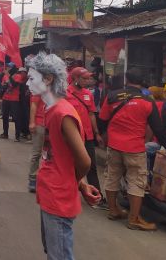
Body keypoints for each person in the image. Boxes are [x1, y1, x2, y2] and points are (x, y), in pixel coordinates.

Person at [26, 52, 101, 260]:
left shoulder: (61, 112)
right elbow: (67, 155)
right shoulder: (51, 109)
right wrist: (82, 183)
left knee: (59, 256)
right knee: (53, 252)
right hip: (51, 192)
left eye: (31, 78)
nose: (27, 83)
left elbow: (84, 160)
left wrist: (73, 180)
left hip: (58, 195)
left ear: (48, 79)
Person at [98, 68, 166, 231]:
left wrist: (103, 136)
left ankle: (113, 210)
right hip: (135, 148)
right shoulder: (148, 101)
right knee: (137, 181)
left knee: (112, 176)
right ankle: (134, 219)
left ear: (126, 79)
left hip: (114, 145)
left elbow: (102, 119)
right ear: (143, 81)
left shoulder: (112, 96)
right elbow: (157, 128)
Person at [66, 67, 106, 209]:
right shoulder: (66, 94)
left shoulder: (88, 94)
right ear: (75, 78)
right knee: (71, 165)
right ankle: (70, 191)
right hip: (73, 135)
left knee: (91, 165)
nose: (88, 81)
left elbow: (91, 114)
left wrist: (96, 133)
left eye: (89, 78)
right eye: (84, 78)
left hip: (87, 135)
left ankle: (96, 196)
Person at [0, 63, 26, 141]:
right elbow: (3, 86)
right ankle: (5, 133)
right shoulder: (5, 76)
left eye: (9, 67)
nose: (8, 68)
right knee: (5, 116)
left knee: (16, 118)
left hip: (14, 99)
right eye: (7, 67)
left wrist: (8, 76)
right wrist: (4, 85)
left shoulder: (18, 76)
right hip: (5, 98)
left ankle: (17, 136)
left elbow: (14, 85)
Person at [27, 93, 46, 192]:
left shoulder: (56, 89)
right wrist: (32, 122)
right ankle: (33, 179)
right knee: (36, 153)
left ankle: (44, 180)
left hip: (51, 124)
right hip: (40, 124)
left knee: (48, 155)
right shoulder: (39, 89)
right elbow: (34, 104)